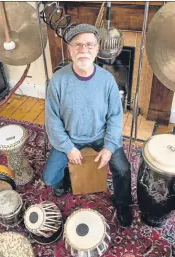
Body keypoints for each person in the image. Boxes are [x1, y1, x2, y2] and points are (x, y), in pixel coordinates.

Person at [42, 24, 133, 227]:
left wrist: (109, 147)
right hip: (70, 137)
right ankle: (64, 180)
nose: (84, 50)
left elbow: (116, 117)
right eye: (78, 45)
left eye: (89, 45)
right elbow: (52, 120)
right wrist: (68, 148)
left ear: (97, 48)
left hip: (100, 135)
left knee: (123, 168)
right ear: (70, 49)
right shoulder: (57, 81)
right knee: (49, 178)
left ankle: (123, 203)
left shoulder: (107, 80)